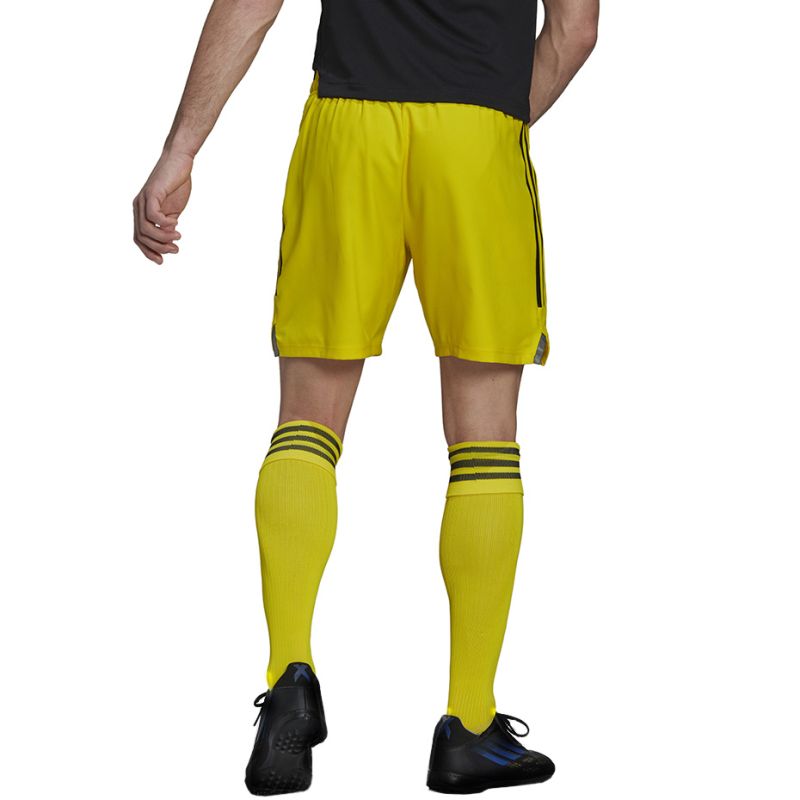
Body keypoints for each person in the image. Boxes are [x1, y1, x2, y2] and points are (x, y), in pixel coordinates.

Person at [133, 0, 598, 793]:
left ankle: (290, 681)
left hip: (348, 125)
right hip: (476, 132)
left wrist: (180, 150)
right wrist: (487, 118)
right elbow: (575, 29)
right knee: (484, 436)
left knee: (306, 423)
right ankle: (470, 725)